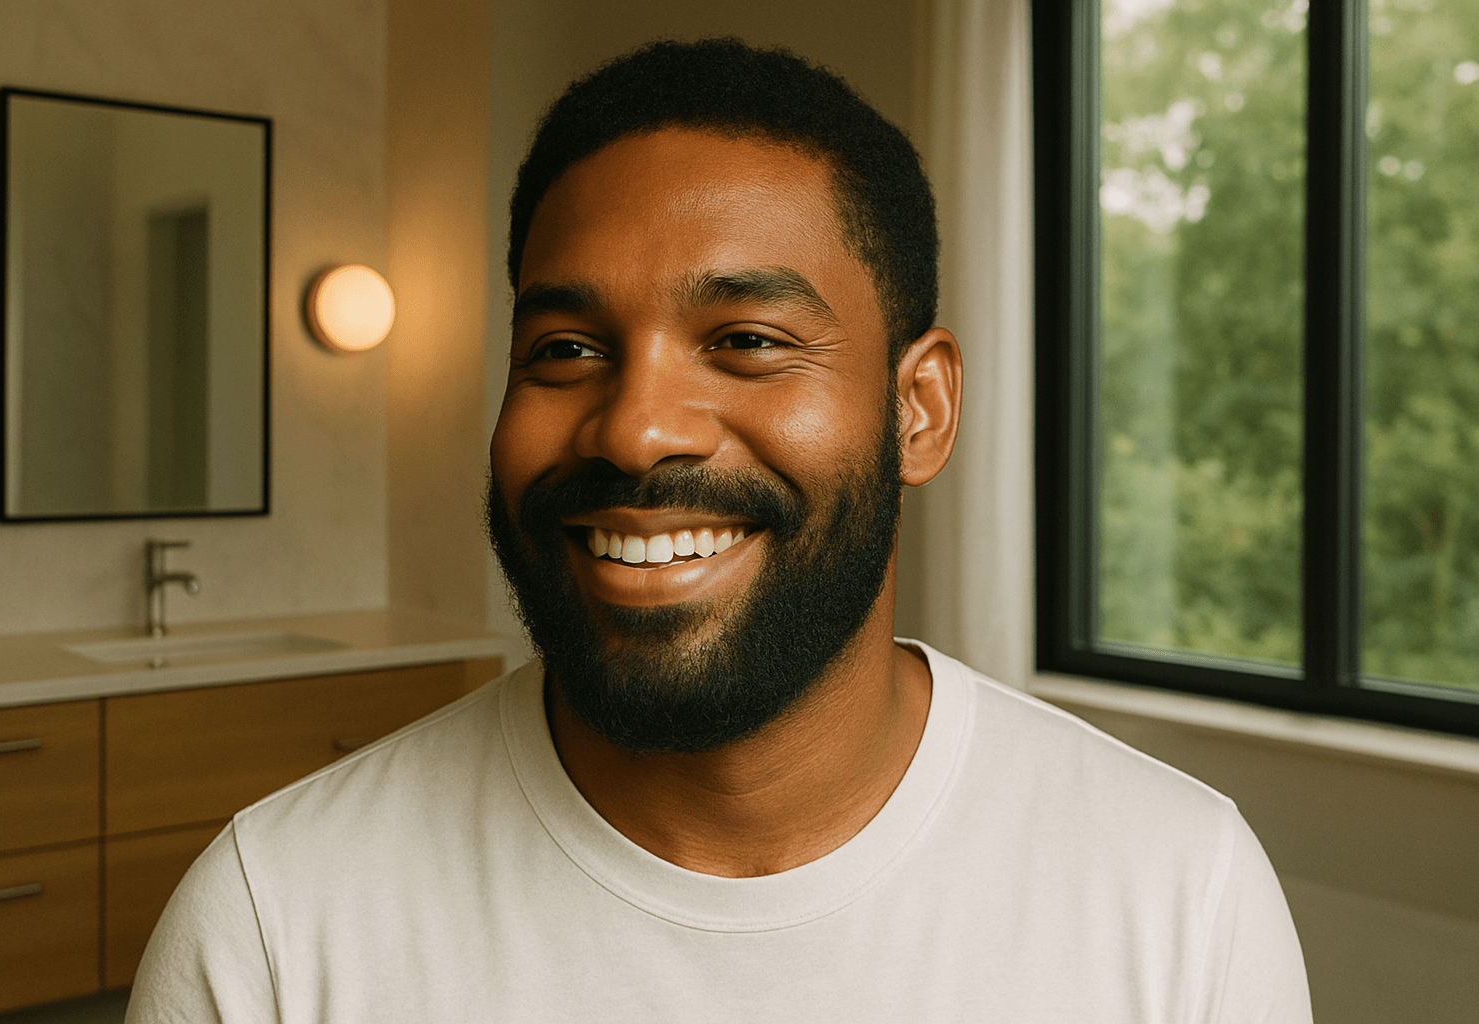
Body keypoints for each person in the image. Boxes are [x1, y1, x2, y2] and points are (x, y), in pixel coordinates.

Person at [127, 38, 1312, 1022]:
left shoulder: (1177, 892)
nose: (635, 432)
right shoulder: (272, 924)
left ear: (919, 409)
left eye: (746, 340)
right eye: (566, 351)